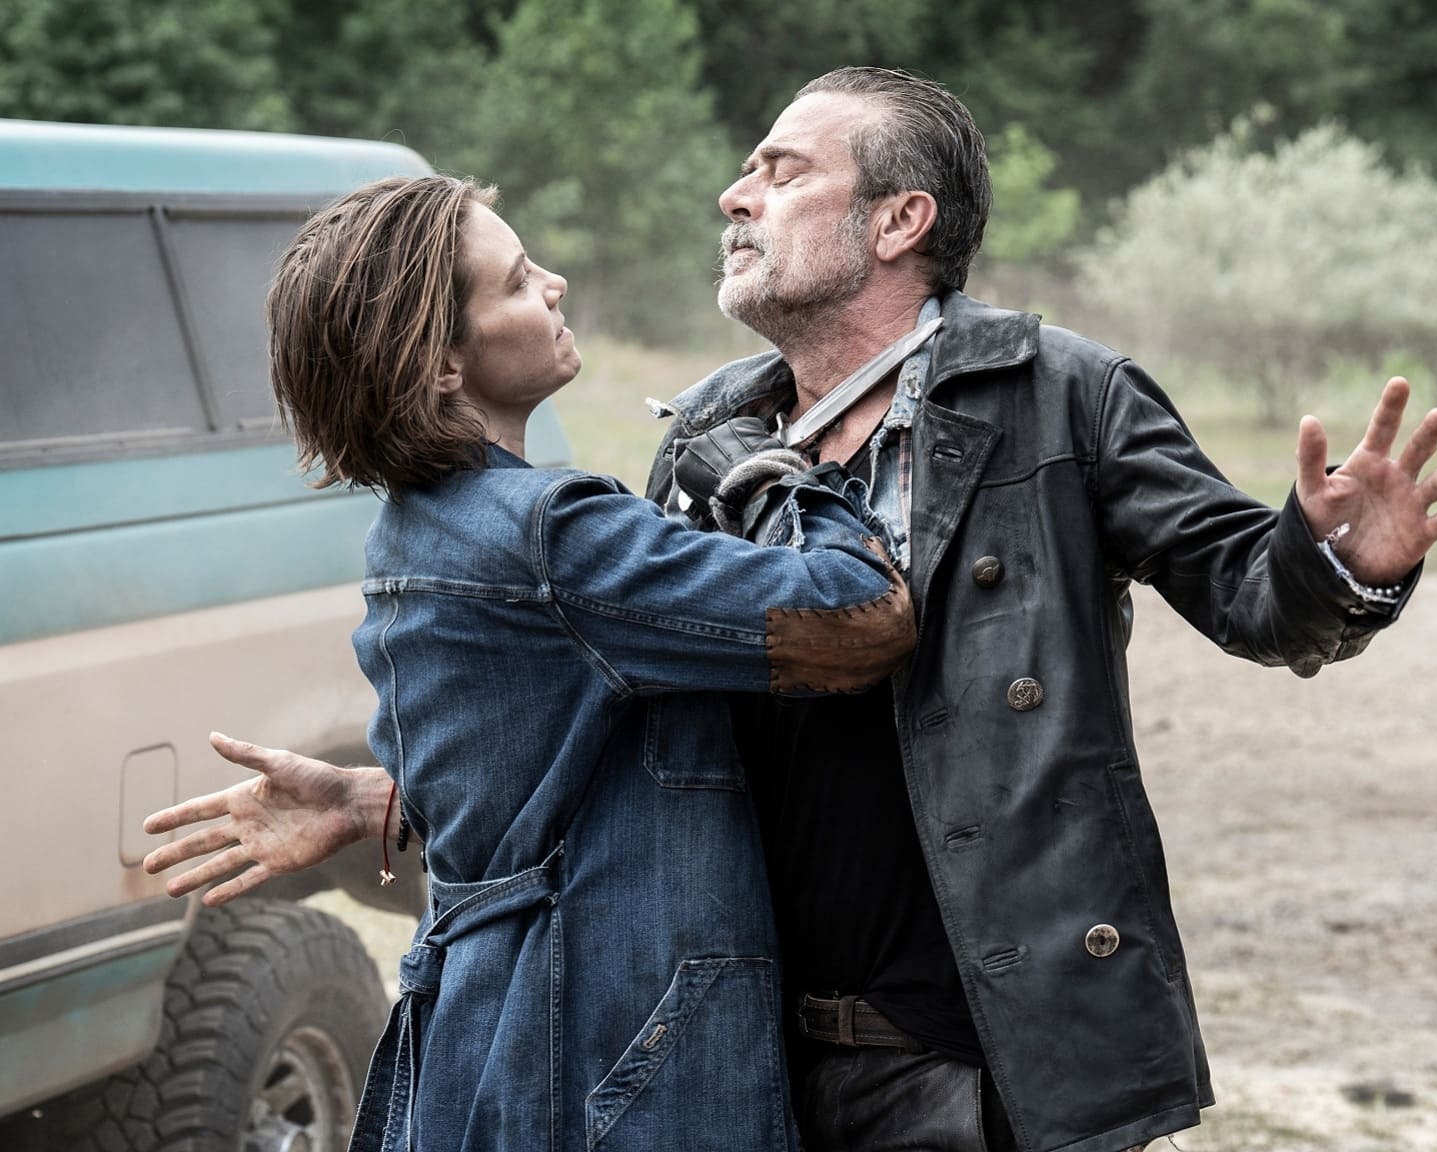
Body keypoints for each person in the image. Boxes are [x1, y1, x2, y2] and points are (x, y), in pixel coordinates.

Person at [158, 68, 1437, 1152]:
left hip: (985, 1055)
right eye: (746, 169)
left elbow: (1255, 596)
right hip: (741, 1051)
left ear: (898, 221)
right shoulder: (713, 433)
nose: (735, 195)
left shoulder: (1059, 396)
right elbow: (632, 717)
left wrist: (1341, 564)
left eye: (781, 171)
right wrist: (395, 799)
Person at [143, 173, 917, 1152]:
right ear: (440, 365)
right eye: (514, 282)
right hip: (605, 1056)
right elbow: (862, 616)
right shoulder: (552, 533)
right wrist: (779, 472)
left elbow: (538, 752)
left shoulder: (418, 527)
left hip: (499, 1037)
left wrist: (375, 799)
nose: (553, 284)